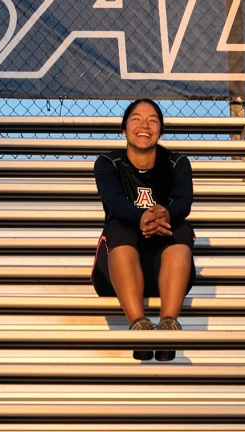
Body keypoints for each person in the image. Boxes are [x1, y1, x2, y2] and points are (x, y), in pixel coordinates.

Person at [91, 99, 195, 362]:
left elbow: (184, 201)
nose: (144, 125)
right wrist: (141, 218)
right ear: (124, 129)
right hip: (116, 270)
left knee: (181, 228)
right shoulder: (107, 163)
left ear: (160, 130)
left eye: (152, 120)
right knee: (117, 226)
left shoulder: (177, 163)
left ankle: (169, 323)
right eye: (136, 118)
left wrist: (166, 214)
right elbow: (113, 201)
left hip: (165, 268)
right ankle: (138, 324)